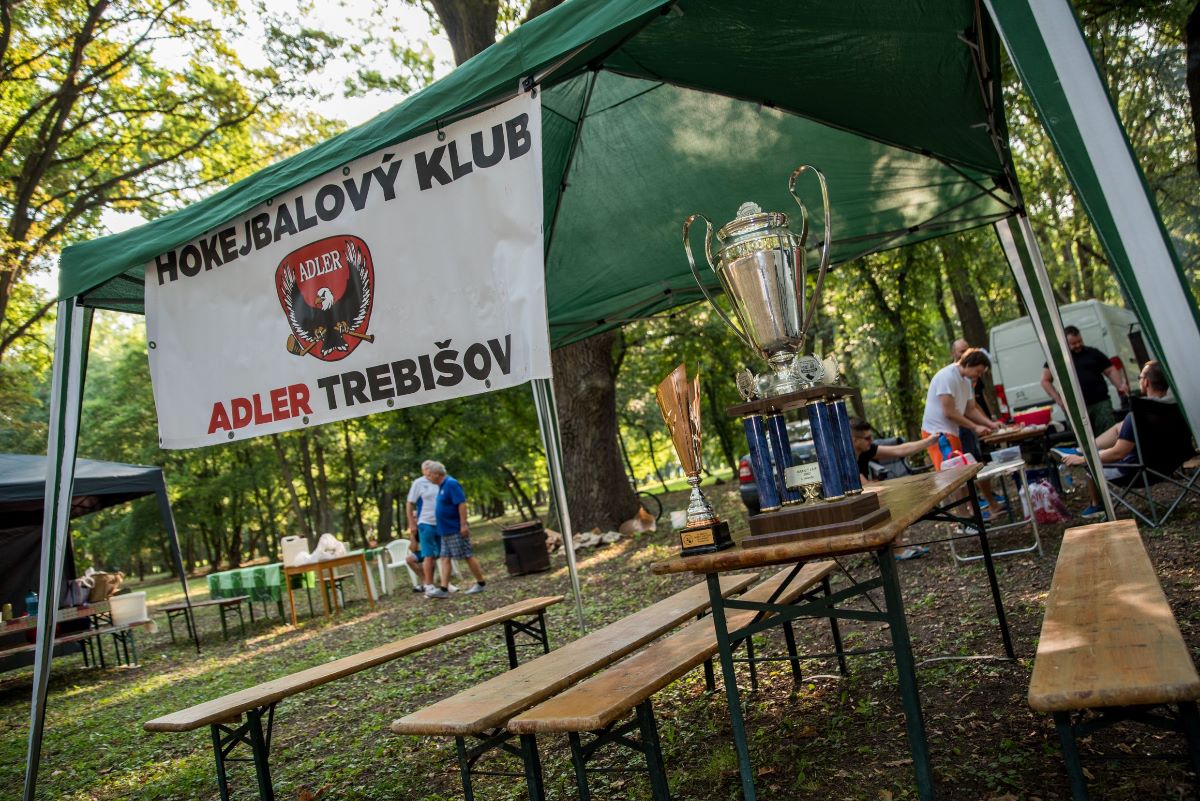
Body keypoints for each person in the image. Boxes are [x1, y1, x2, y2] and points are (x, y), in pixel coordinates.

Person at [1060, 361, 1173, 518]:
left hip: (1137, 472)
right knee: (1119, 428)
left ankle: (1096, 505)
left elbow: (1117, 454)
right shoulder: (1177, 408)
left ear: (1146, 382)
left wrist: (1084, 460)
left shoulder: (1137, 415)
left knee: (1091, 467)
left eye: (1140, 377)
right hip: (1169, 465)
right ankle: (1082, 450)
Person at [1040, 325, 1129, 434]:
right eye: (1073, 343)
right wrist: (1059, 400)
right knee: (1084, 437)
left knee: (1109, 433)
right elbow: (1045, 381)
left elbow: (1110, 370)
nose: (1078, 345)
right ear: (1064, 343)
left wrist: (1120, 386)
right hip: (1075, 407)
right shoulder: (1057, 359)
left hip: (1100, 403)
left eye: (1080, 341)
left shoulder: (1093, 353)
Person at [425, 461, 487, 598]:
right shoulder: (441, 486)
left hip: (455, 528)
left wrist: (463, 525)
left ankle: (481, 583)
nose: (428, 478)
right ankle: (444, 589)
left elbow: (461, 504)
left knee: (467, 555)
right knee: (445, 558)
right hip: (445, 530)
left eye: (429, 475)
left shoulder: (451, 484)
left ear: (437, 474)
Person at [406, 460, 453, 596]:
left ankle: (445, 584)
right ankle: (429, 585)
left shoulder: (441, 481)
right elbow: (409, 503)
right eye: (426, 468)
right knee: (429, 555)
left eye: (430, 467)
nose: (428, 470)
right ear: (422, 471)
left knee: (444, 554)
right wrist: (412, 523)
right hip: (425, 522)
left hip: (441, 523)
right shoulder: (418, 483)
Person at [849, 417, 937, 484]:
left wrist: (929, 441)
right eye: (867, 438)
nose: (872, 441)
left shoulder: (866, 450)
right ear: (855, 440)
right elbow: (866, 487)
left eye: (871, 437)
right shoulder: (847, 462)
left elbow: (900, 450)